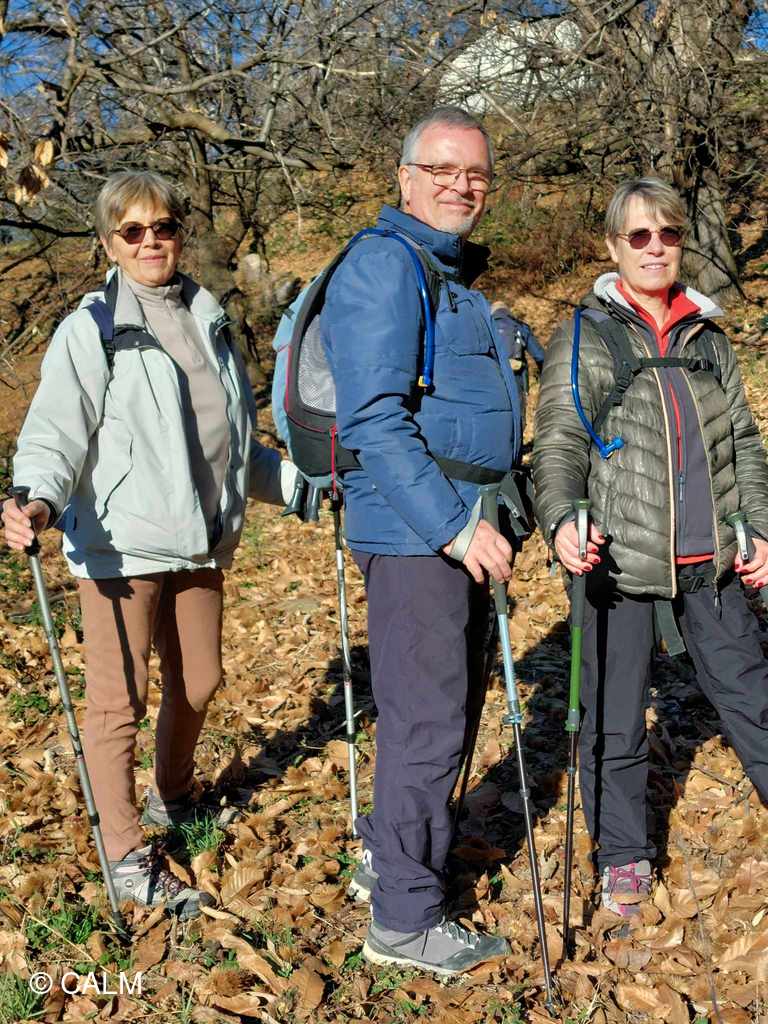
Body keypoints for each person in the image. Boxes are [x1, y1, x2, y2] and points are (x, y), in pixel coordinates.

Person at [2, 171, 298, 920]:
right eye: (132, 231)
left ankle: (172, 794)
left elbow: (233, 444)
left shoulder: (207, 318)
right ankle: (126, 854)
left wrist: (303, 484)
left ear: (179, 233)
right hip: (122, 540)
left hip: (200, 537)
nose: (150, 241)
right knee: (119, 700)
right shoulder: (92, 327)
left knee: (199, 681)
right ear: (110, 243)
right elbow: (56, 430)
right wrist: (35, 495)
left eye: (162, 226)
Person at [533, 177, 768, 922]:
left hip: (712, 560)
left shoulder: (708, 336)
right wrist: (561, 519)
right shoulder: (587, 335)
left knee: (754, 697)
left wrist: (759, 528)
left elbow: (743, 443)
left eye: (669, 234)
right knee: (612, 716)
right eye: (640, 235)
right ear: (614, 247)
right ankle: (624, 855)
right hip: (618, 562)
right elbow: (559, 442)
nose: (656, 247)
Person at [321, 106, 523, 974]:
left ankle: (392, 861)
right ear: (405, 179)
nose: (460, 185)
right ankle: (405, 921)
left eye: (475, 173)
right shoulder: (384, 264)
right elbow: (374, 419)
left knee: (436, 714)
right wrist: (454, 527)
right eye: (442, 169)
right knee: (428, 725)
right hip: (419, 534)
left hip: (448, 529)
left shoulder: (443, 272)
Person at [490, 301, 545, 412]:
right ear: (507, 312)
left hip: (492, 381)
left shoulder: (486, 327)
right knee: (518, 417)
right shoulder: (519, 326)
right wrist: (543, 379)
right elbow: (540, 356)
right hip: (516, 380)